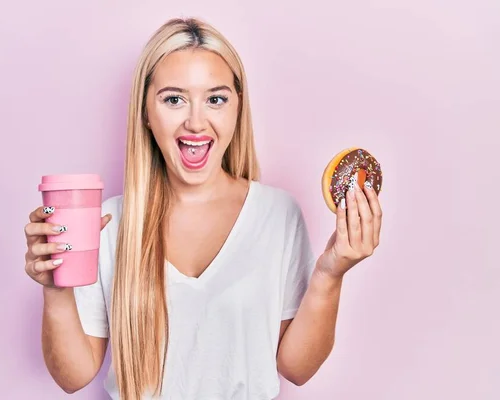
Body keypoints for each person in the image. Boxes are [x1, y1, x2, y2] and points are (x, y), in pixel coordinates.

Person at [23, 17, 382, 400]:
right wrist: (55, 289)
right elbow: (72, 377)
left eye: (216, 99)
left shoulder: (277, 215)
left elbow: (297, 367)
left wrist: (330, 274)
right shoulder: (109, 225)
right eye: (174, 99)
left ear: (237, 108)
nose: (196, 122)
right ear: (146, 111)